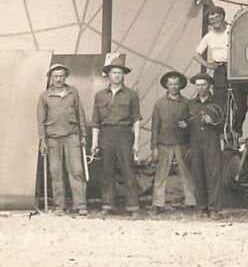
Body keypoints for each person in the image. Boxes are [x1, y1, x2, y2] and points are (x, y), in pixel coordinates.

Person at [90, 58, 142, 218]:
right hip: (106, 135)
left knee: (128, 171)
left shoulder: (131, 95)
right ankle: (107, 205)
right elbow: (96, 122)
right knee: (107, 172)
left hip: (124, 135)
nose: (117, 75)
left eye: (120, 72)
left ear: (123, 75)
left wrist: (137, 143)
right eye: (114, 72)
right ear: (109, 75)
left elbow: (136, 120)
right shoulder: (100, 96)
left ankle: (133, 207)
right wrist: (94, 142)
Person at [37, 64, 88, 216]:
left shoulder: (73, 93)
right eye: (55, 76)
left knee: (77, 170)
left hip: (72, 136)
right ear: (50, 78)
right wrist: (42, 140)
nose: (58, 79)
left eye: (61, 76)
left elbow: (80, 115)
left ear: (65, 77)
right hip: (53, 138)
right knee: (55, 172)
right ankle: (59, 206)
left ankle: (80, 205)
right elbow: (40, 120)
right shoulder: (44, 96)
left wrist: (83, 135)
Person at [193, 5, 247, 138]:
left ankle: (237, 129)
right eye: (211, 19)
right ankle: (223, 131)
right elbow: (196, 54)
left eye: (217, 17)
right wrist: (208, 65)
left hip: (236, 68)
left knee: (240, 102)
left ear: (222, 17)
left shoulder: (232, 30)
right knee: (220, 101)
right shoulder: (208, 36)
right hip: (220, 70)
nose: (214, 20)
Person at [150, 71, 196, 215]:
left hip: (182, 143)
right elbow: (155, 127)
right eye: (171, 84)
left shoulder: (187, 103)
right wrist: (154, 147)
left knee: (187, 173)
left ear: (181, 85)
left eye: (176, 84)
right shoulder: (159, 104)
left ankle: (191, 201)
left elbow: (192, 124)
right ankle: (158, 203)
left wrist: (187, 126)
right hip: (164, 143)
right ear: (166, 86)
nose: (173, 87)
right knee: (161, 175)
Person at [188, 72, 224, 219]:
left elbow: (225, 123)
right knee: (198, 174)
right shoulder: (190, 104)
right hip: (195, 143)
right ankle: (202, 207)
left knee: (214, 174)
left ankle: (214, 208)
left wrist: (213, 123)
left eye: (203, 84)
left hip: (212, 142)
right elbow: (187, 123)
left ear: (209, 85)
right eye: (198, 85)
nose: (200, 87)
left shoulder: (218, 103)